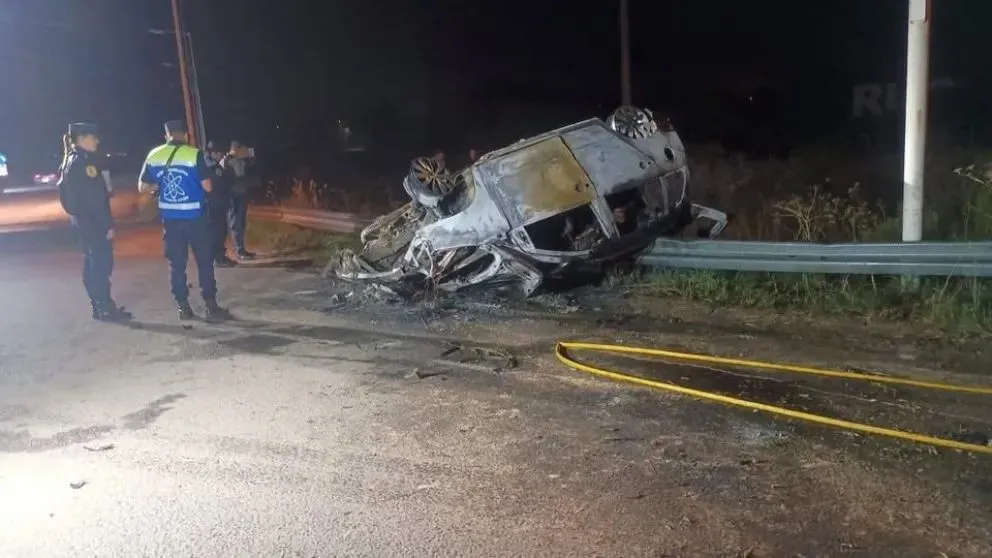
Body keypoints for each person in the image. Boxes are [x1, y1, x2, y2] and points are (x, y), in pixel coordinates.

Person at [138, 120, 231, 321]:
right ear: (186, 135)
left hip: (170, 220)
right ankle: (210, 305)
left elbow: (142, 187)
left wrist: (158, 187)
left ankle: (183, 307)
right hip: (195, 218)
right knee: (204, 262)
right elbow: (207, 187)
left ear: (167, 135)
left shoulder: (154, 155)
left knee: (177, 265)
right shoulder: (193, 154)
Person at [56, 122, 132, 321]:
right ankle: (104, 307)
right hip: (93, 222)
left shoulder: (72, 160)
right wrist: (106, 225)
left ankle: (100, 305)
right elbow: (95, 200)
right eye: (93, 137)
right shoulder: (84, 164)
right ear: (81, 139)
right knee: (100, 264)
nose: (97, 141)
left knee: (92, 262)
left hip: (83, 221)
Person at [222, 140, 257, 260]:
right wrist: (234, 156)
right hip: (233, 195)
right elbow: (227, 170)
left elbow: (252, 167)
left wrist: (249, 156)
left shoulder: (241, 160)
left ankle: (241, 249)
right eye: (239, 149)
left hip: (241, 193)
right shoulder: (228, 159)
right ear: (234, 149)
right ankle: (239, 250)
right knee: (235, 222)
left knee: (241, 222)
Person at [204, 141, 237, 267]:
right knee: (216, 232)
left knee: (221, 231)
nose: (220, 155)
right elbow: (218, 183)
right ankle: (218, 259)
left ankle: (220, 257)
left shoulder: (214, 165)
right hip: (213, 204)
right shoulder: (209, 165)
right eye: (218, 152)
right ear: (212, 152)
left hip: (218, 203)